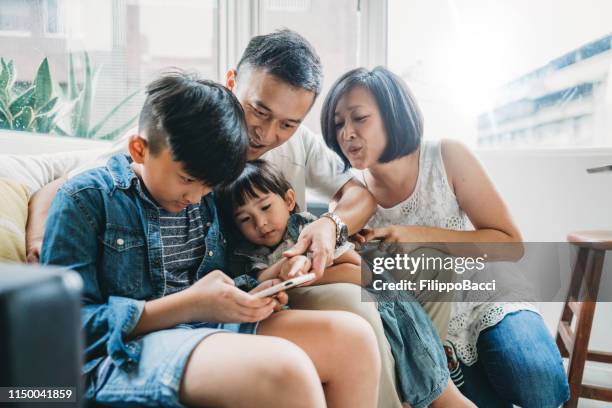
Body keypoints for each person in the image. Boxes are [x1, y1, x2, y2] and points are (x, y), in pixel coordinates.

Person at [28, 30, 404, 407]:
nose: (267, 133)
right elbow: (67, 324)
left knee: (353, 339)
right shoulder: (142, 162)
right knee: (287, 370)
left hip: (203, 325)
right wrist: (35, 237)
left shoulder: (203, 186)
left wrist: (262, 281)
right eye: (260, 111)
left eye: (287, 124)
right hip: (131, 346)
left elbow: (209, 282)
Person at [321, 66, 570, 408]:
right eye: (338, 124)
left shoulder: (446, 156)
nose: (346, 133)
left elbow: (510, 243)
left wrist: (418, 236)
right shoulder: (352, 196)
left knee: (540, 387)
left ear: (394, 115)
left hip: (487, 295)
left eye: (359, 118)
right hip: (430, 321)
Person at [215, 158, 475, 408]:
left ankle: (440, 392)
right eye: (245, 219)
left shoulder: (311, 230)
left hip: (383, 299)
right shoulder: (245, 254)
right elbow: (253, 282)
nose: (260, 223)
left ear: (289, 200)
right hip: (313, 314)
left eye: (265, 207)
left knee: (420, 361)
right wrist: (282, 272)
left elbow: (361, 273)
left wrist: (307, 275)